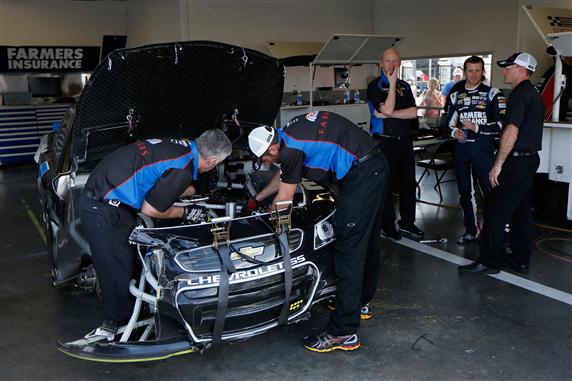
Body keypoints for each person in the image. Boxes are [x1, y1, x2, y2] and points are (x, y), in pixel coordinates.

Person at [247, 111, 388, 352]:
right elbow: (285, 174)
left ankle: (343, 332)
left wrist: (268, 220)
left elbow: (284, 201)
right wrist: (258, 198)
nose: (265, 164)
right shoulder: (287, 134)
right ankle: (359, 302)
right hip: (373, 166)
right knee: (367, 239)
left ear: (271, 150)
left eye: (264, 159)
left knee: (348, 249)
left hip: (362, 174)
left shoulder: (290, 149)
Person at [79, 129, 232, 340]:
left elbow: (161, 172)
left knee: (129, 262)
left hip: (109, 193)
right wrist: (187, 212)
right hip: (102, 208)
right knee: (116, 268)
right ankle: (118, 327)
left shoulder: (181, 145)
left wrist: (188, 191)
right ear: (213, 161)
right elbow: (151, 210)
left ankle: (134, 311)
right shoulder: (182, 168)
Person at [458, 52, 544, 275]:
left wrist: (498, 164)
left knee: (495, 209)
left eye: (509, 67)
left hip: (516, 162)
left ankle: (488, 261)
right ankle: (520, 260)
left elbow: (511, 131)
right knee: (521, 212)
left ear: (522, 70)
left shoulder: (518, 94)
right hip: (529, 160)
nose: (504, 71)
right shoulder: (533, 93)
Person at [366, 47, 424, 240]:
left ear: (400, 63)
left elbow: (413, 112)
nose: (391, 65)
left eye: (395, 61)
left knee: (408, 184)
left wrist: (389, 114)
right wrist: (391, 85)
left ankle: (407, 223)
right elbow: (388, 108)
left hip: (405, 141)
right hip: (385, 141)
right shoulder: (375, 86)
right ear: (381, 63)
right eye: (388, 61)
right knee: (386, 186)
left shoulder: (405, 86)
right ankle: (387, 225)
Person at [447, 56, 506, 244]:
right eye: (470, 70)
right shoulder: (455, 95)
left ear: (483, 72)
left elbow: (501, 125)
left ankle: (499, 235)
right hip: (462, 151)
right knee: (465, 193)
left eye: (478, 70)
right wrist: (454, 131)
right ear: (464, 72)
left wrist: (477, 128)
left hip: (483, 150)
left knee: (492, 192)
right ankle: (471, 230)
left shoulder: (493, 93)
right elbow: (447, 124)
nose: (473, 74)